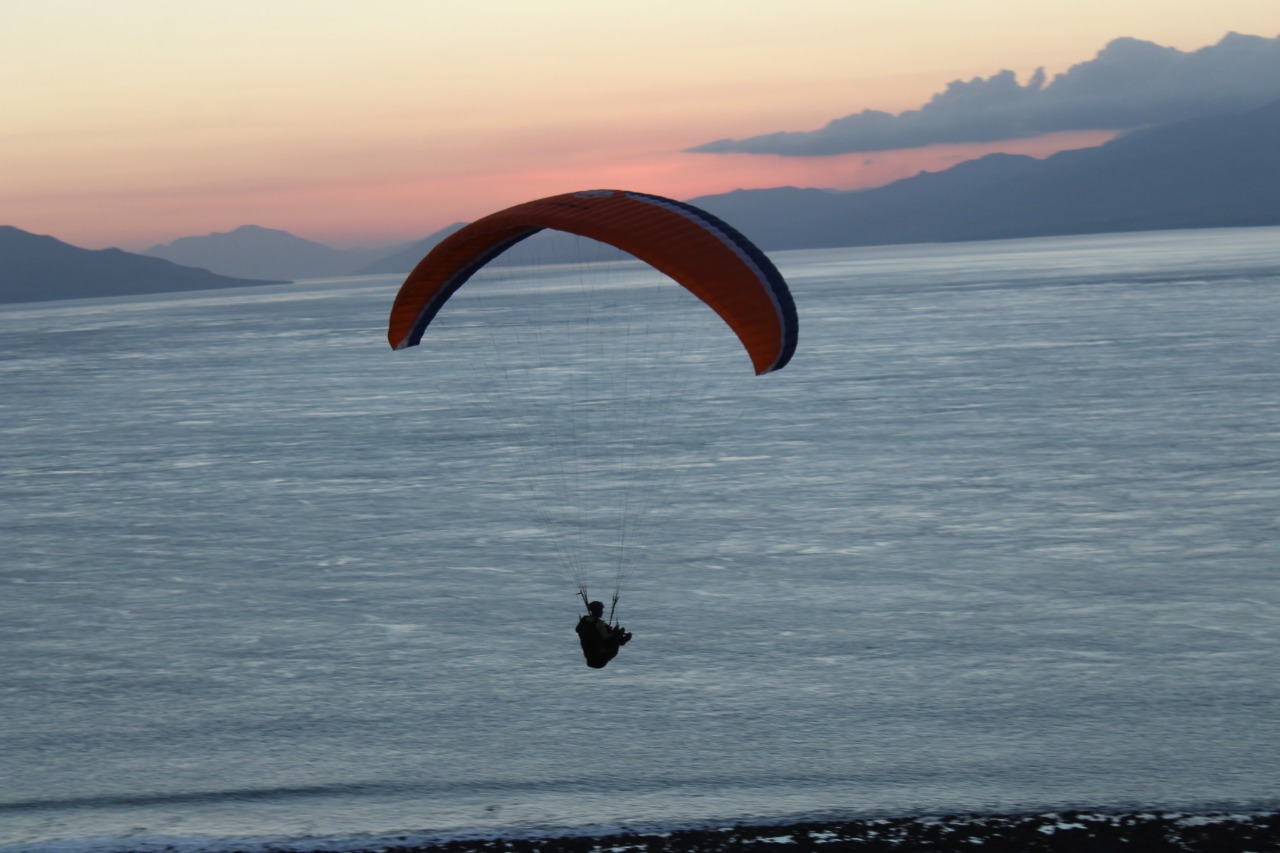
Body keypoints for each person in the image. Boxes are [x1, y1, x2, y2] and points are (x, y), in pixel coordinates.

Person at [576, 600, 632, 668]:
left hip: (590, 656)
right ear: (598, 611)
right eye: (601, 610)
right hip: (600, 658)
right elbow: (605, 638)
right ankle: (624, 639)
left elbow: (578, 629)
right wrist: (616, 634)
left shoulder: (584, 619)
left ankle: (621, 638)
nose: (602, 612)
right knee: (617, 638)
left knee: (613, 633)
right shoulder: (599, 623)